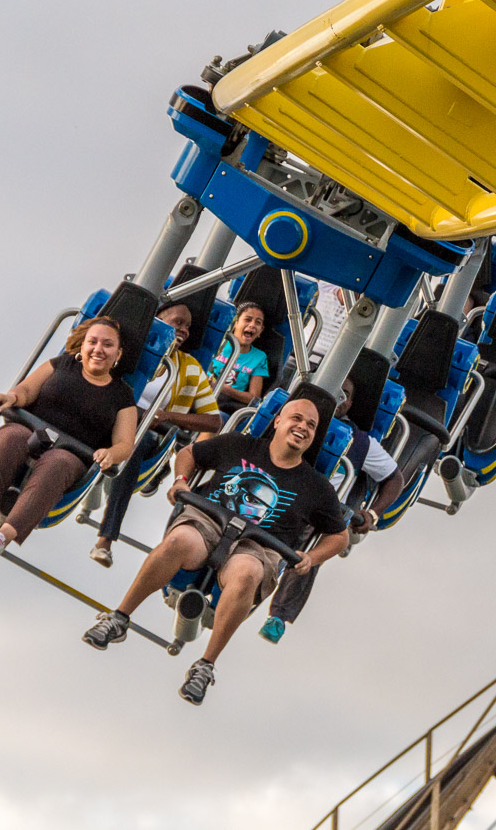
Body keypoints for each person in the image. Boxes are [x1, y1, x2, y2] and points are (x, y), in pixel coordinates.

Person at [81, 398, 348, 705]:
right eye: (296, 419)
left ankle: (205, 665)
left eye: (311, 425)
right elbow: (189, 454)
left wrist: (312, 558)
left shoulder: (316, 487)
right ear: (277, 421)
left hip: (259, 545)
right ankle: (119, 618)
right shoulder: (239, 445)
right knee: (178, 541)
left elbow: (338, 536)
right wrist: (180, 481)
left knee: (247, 574)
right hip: (209, 521)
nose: (302, 427)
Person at [0, 317, 137, 557]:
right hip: (30, 431)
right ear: (82, 346)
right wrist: (12, 397)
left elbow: (125, 444)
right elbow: (26, 390)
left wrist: (110, 453)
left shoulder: (122, 396)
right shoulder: (60, 365)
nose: (98, 349)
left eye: (107, 345)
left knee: (58, 463)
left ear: (118, 354)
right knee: (9, 439)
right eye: (92, 342)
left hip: (72, 453)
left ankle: (5, 535)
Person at [257, 378, 405, 644]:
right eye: (335, 392)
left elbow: (395, 478)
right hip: (278, 487)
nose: (338, 399)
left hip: (319, 505)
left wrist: (372, 513)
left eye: (344, 395)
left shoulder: (361, 443)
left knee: (317, 542)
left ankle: (279, 614)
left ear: (350, 404)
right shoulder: (292, 422)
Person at [88, 302, 224, 567]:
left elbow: (214, 421)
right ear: (159, 320)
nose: (183, 330)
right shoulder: (132, 351)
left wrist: (166, 416)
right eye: (177, 323)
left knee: (133, 444)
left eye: (187, 326)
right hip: (111, 418)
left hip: (149, 433)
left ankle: (105, 538)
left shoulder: (190, 367)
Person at [210, 302, 268, 409]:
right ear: (236, 323)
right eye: (247, 319)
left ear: (261, 331)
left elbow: (254, 398)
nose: (252, 325)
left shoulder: (259, 357)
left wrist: (223, 388)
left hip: (225, 406)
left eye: (258, 322)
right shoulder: (219, 343)